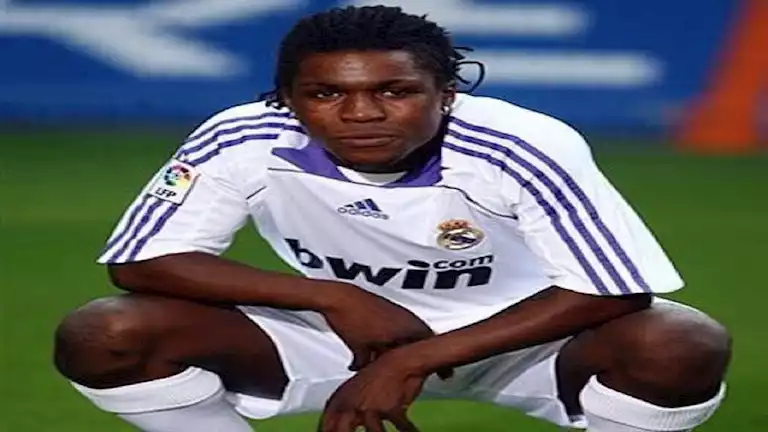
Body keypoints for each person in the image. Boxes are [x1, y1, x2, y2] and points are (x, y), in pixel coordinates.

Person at [53, 5, 731, 432]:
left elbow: (612, 290)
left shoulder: (521, 144)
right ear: (286, 99)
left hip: (524, 342)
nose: (360, 113)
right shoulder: (243, 136)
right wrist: (333, 296)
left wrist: (415, 359)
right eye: (325, 94)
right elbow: (143, 260)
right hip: (340, 337)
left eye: (395, 90)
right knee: (104, 332)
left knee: (680, 342)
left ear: (447, 92)